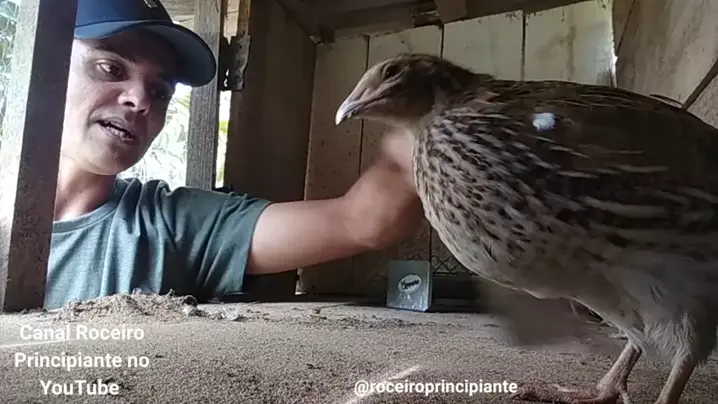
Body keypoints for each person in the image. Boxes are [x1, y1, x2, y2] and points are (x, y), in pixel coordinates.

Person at [46, 0, 423, 309]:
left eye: (160, 92)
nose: (141, 100)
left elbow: (363, 221)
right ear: (43, 62)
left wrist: (427, 128)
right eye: (110, 68)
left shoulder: (173, 225)